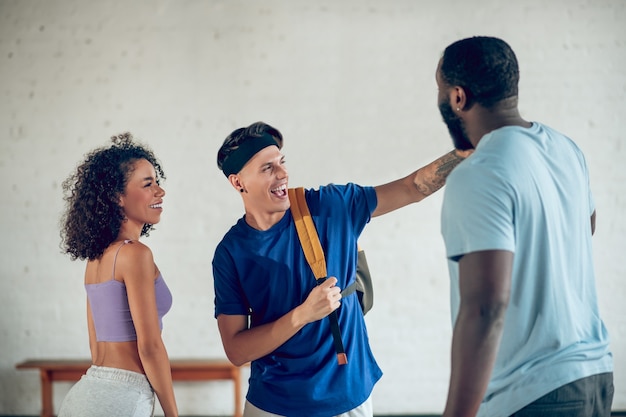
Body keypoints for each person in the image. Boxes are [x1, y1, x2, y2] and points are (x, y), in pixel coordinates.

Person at [212, 121, 470, 417]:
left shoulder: (332, 206)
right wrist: (301, 315)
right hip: (273, 405)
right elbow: (237, 350)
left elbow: (412, 187)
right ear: (238, 182)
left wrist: (467, 150)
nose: (283, 174)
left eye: (281, 163)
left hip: (348, 399)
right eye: (267, 168)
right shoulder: (231, 252)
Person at [436, 36, 614, 417]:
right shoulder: (566, 149)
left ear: (457, 98)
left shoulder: (478, 173)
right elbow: (584, 230)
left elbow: (485, 306)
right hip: (596, 378)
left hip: (534, 395)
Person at [58, 133, 178, 417]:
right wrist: (173, 414)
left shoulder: (97, 257)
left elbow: (94, 342)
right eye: (147, 184)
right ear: (117, 196)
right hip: (122, 399)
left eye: (157, 182)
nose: (160, 192)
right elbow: (149, 347)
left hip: (85, 393)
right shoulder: (136, 254)